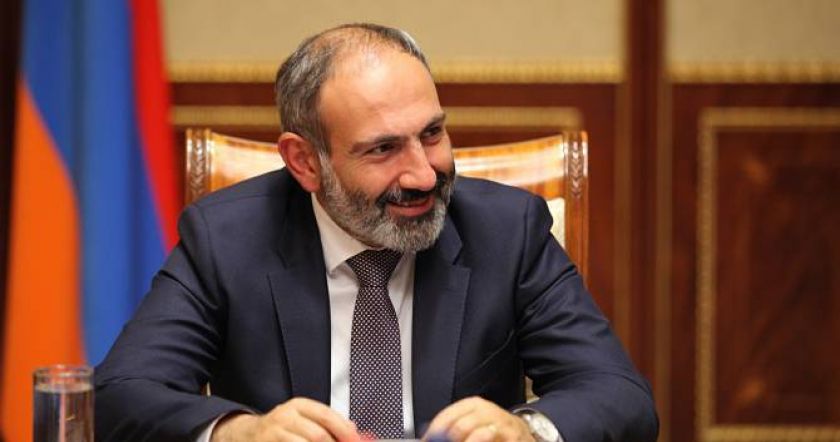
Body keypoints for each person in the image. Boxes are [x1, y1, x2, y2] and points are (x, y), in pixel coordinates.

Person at [95, 23, 658, 442]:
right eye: (383, 149)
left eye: (432, 134)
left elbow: (621, 397)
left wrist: (528, 431)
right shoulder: (226, 237)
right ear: (305, 163)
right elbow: (117, 397)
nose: (423, 175)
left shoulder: (508, 232)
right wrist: (239, 432)